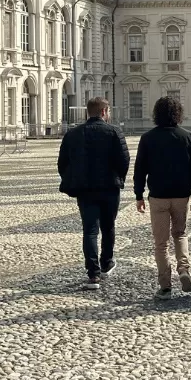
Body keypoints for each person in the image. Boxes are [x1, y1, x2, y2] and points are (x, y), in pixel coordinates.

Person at [134, 96, 191, 299]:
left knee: (161, 243)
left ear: (157, 114)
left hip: (158, 196)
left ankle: (165, 286)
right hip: (182, 194)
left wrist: (138, 195)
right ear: (178, 114)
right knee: (180, 234)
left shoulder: (147, 138)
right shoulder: (189, 137)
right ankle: (183, 270)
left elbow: (140, 169)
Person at [57, 97, 130, 290]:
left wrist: (72, 179)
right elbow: (124, 160)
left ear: (88, 112)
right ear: (105, 111)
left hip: (85, 189)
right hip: (109, 188)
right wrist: (119, 179)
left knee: (89, 230)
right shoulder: (114, 131)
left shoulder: (73, 134)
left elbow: (62, 163)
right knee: (108, 227)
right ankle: (106, 262)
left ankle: (93, 274)